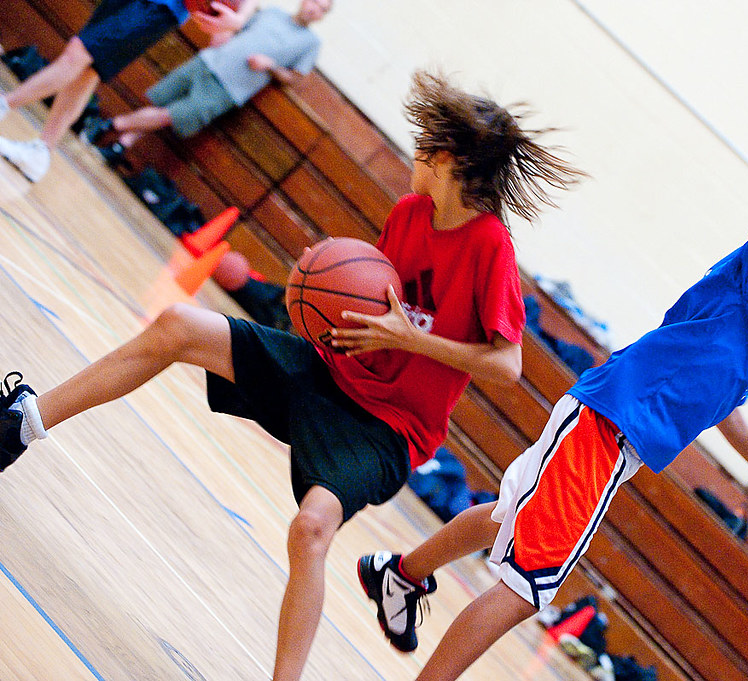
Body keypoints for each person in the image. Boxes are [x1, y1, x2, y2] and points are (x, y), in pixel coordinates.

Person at [0, 70, 584, 681]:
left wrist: (411, 338)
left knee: (311, 529)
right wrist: (313, 294)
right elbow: (367, 308)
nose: (410, 154)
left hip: (386, 429)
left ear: (444, 160)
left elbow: (507, 365)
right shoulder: (410, 213)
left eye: (420, 147)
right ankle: (22, 422)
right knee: (178, 323)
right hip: (329, 374)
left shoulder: (490, 245)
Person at [355, 59, 748, 680]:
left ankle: (399, 575)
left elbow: (719, 402)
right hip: (608, 423)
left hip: (618, 439)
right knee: (524, 592)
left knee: (508, 516)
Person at [0, 0, 258, 182]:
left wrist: (239, 19)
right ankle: (40, 152)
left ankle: (5, 104)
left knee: (76, 55)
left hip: (157, 6)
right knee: (89, 71)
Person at [82, 0, 330, 167]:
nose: (313, 8)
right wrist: (220, 35)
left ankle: (110, 124)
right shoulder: (271, 13)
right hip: (209, 61)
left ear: (322, 16)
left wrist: (271, 66)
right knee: (161, 103)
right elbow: (233, 26)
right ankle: (120, 146)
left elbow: (295, 77)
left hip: (231, 88)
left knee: (173, 115)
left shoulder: (311, 43)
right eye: (314, 1)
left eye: (321, 8)